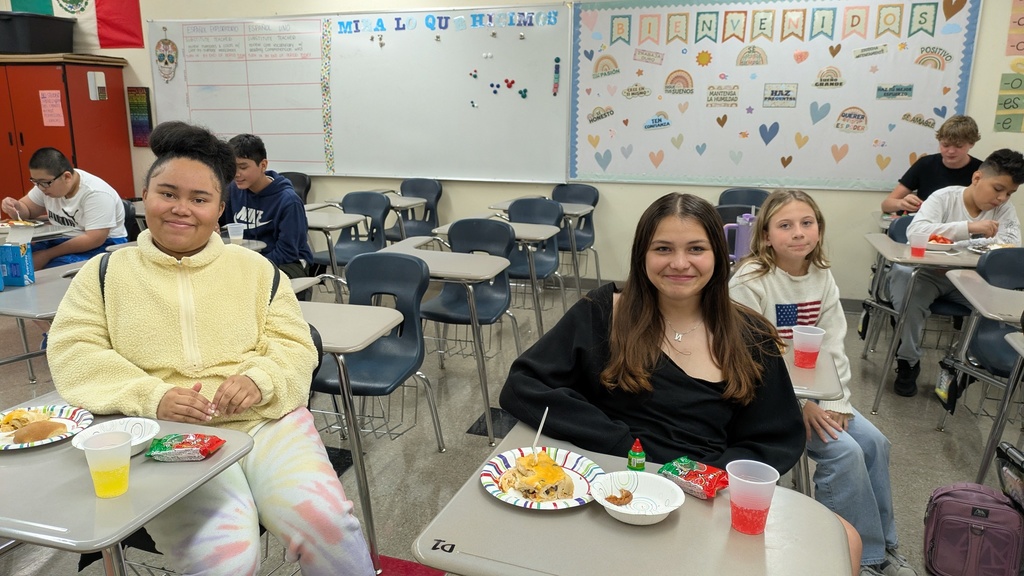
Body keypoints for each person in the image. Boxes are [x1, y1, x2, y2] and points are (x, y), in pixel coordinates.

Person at [46, 121, 374, 575]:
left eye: (200, 199)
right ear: (145, 196)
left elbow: (295, 346)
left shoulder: (257, 271)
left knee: (328, 523)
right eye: (167, 193)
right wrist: (152, 396)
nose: (181, 209)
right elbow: (74, 354)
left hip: (267, 422)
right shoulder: (104, 274)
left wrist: (260, 380)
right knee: (224, 555)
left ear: (221, 207)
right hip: (164, 433)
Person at [499, 192, 804, 472]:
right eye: (663, 249)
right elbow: (523, 384)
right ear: (641, 255)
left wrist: (706, 477)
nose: (680, 263)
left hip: (702, 497)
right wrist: (618, 444)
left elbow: (774, 441)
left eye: (696, 249)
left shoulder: (752, 336)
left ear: (718, 256)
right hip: (609, 480)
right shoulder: (602, 312)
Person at [729, 190, 916, 576]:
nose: (799, 233)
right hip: (764, 401)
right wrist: (802, 406)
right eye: (785, 225)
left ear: (819, 229)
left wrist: (838, 403)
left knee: (876, 443)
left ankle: (884, 545)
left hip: (815, 395)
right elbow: (748, 362)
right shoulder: (750, 280)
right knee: (844, 453)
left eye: (807, 223)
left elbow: (833, 345)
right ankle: (856, 559)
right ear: (765, 236)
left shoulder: (821, 275)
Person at [888, 148, 1024, 396]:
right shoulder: (944, 198)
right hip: (932, 275)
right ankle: (908, 361)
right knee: (910, 294)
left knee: (995, 311)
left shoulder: (1004, 209)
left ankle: (961, 364)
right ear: (977, 178)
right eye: (997, 189)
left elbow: (1010, 247)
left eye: (1010, 193)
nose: (1002, 198)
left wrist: (958, 242)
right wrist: (969, 228)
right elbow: (916, 232)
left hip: (970, 279)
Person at [1, 147, 127, 269]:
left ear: (67, 177)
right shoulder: (48, 184)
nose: (40, 187)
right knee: (12, 260)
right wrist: (16, 207)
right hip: (61, 240)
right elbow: (27, 210)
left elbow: (95, 239)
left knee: (47, 273)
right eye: (35, 182)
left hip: (101, 245)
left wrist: (47, 255)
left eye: (44, 183)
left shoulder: (96, 193)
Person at [221, 133, 314, 279]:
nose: (236, 174)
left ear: (263, 165)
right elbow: (218, 226)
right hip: (246, 260)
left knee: (246, 283)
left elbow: (287, 252)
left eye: (243, 167)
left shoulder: (289, 201)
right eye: (232, 167)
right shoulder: (232, 190)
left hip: (288, 264)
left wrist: (251, 267)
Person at [881, 115, 981, 214]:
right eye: (945, 145)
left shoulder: (983, 170)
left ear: (972, 143)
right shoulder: (925, 164)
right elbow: (886, 205)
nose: (950, 151)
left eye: (958, 146)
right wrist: (901, 203)